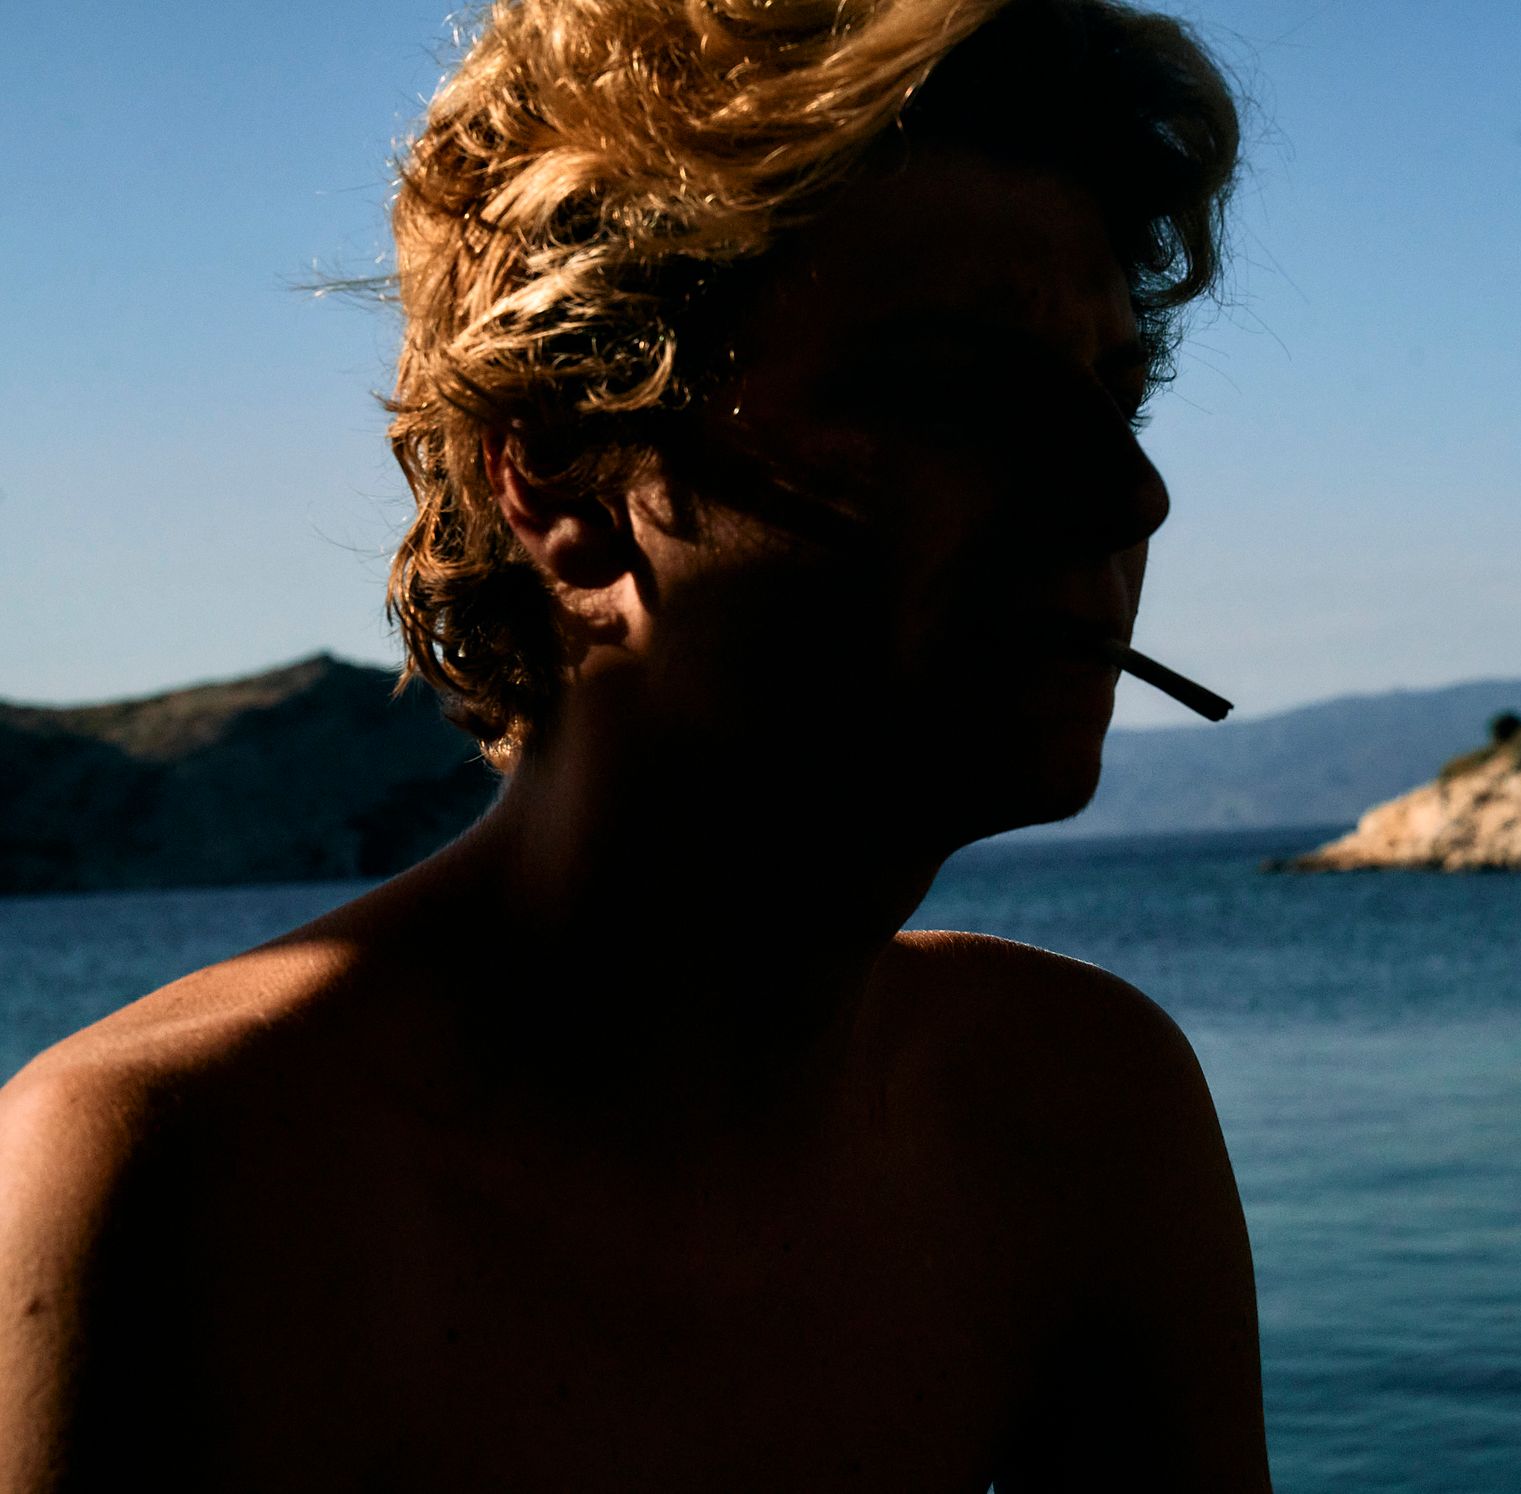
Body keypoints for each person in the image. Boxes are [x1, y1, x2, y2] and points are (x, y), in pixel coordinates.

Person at [0, 0, 1271, 1486]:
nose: (1126, 498)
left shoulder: (1077, 1116)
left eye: (1115, 395)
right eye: (954, 389)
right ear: (569, 478)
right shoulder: (163, 1194)